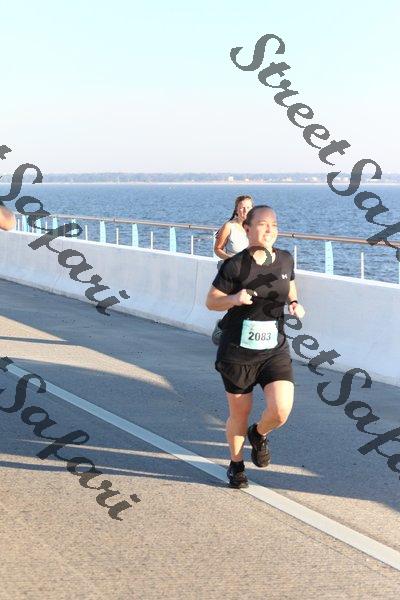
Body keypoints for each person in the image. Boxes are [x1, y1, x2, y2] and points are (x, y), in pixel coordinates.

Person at [205, 205, 305, 489]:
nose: (269, 229)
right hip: (238, 352)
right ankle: (236, 465)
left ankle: (259, 434)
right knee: (240, 413)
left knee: (281, 410)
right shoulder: (235, 265)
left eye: (274, 225)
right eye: (262, 224)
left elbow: (290, 284)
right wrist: (234, 299)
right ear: (247, 229)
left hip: (274, 349)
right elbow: (211, 301)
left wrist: (294, 302)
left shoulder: (285, 259)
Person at [211, 195, 253, 345]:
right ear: (236, 209)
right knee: (238, 304)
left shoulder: (255, 227)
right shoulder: (229, 226)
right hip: (231, 272)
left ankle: (227, 330)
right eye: (242, 207)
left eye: (248, 207)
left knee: (246, 305)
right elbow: (217, 249)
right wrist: (231, 259)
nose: (245, 210)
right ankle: (223, 331)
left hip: (250, 272)